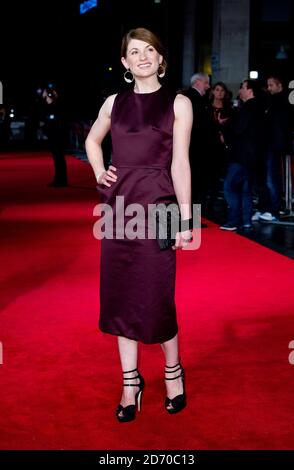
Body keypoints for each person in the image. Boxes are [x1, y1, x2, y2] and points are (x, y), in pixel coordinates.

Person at [85, 27, 193, 422]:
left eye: (150, 49)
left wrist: (186, 219)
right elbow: (92, 141)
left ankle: (173, 373)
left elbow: (181, 163)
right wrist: (99, 172)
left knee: (158, 296)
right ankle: (130, 381)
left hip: (161, 205)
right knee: (120, 297)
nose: (143, 56)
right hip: (118, 208)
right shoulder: (114, 102)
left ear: (160, 58)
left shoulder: (179, 103)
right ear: (126, 63)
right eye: (135, 52)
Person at [220, 79, 265, 231]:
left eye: (242, 87)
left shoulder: (247, 108)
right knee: (246, 190)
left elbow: (237, 129)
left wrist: (225, 128)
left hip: (241, 155)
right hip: (254, 157)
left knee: (229, 186)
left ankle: (233, 220)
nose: (240, 90)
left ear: (250, 90)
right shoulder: (259, 107)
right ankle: (246, 221)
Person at [42, 86, 68, 187]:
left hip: (58, 137)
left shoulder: (56, 107)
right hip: (54, 137)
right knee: (57, 159)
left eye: (46, 97)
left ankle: (61, 180)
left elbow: (55, 122)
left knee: (59, 159)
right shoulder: (52, 107)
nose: (45, 99)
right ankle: (59, 179)